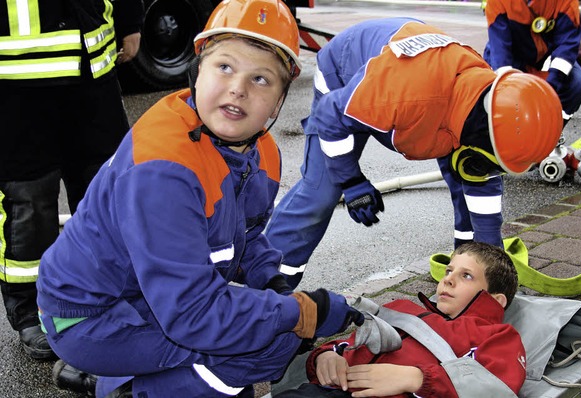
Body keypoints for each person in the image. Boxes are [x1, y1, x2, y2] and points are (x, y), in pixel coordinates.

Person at [35, 0, 363, 397]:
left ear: (278, 101)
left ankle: (117, 378)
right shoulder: (164, 167)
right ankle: (124, 387)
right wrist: (302, 311)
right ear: (197, 71)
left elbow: (246, 235)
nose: (238, 88)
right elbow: (194, 314)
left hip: (150, 298)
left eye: (261, 79)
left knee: (271, 339)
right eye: (225, 67)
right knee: (255, 350)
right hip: (93, 316)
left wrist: (271, 280)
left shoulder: (263, 153)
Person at [265, 17, 563, 288]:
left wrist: (490, 265)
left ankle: (465, 262)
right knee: (321, 192)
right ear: (483, 133)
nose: (489, 171)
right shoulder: (404, 95)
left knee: (467, 174)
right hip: (346, 75)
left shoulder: (488, 103)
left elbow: (481, 182)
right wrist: (351, 180)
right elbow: (329, 118)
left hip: (420, 87)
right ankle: (268, 285)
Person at [0, 0, 143, 360]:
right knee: (29, 202)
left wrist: (129, 20)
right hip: (16, 81)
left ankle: (103, 296)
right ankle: (31, 310)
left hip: (92, 71)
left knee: (107, 193)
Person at [274, 241, 526, 397]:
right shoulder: (402, 309)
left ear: (496, 300)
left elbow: (496, 388)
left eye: (466, 276)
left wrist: (417, 380)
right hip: (328, 391)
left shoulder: (497, 336)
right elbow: (352, 343)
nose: (448, 279)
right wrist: (326, 357)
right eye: (449, 270)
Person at [483, 0, 581, 125]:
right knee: (495, 93)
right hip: (510, 58)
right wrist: (509, 85)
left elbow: (566, 46)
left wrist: (551, 86)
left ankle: (551, 132)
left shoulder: (566, 2)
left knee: (577, 86)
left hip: (548, 58)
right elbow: (501, 50)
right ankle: (506, 132)